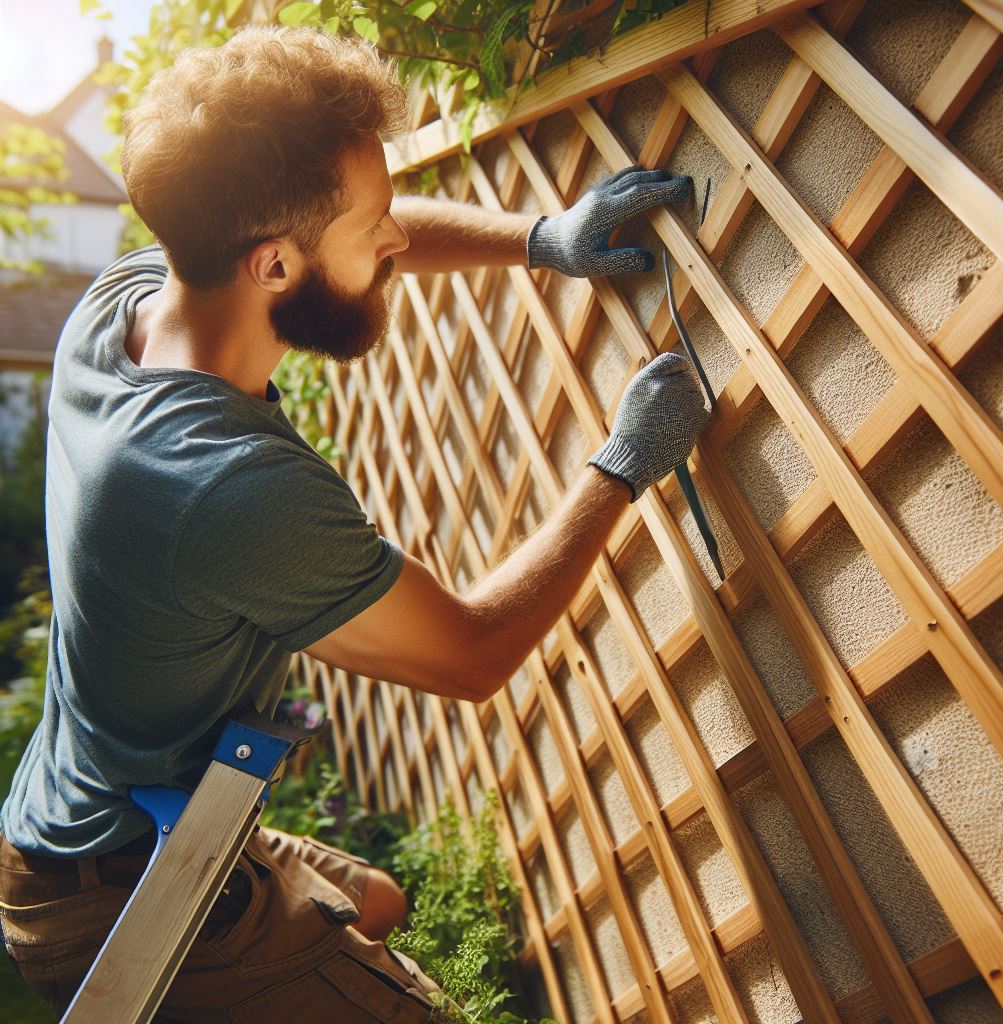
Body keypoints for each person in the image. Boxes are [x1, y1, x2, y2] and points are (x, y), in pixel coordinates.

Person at [0, 22, 709, 1023]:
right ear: (274, 268)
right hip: (120, 889)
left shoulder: (127, 301)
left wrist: (542, 239)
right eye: (372, 221)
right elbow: (471, 654)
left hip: (86, 812)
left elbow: (342, 230)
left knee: (375, 897)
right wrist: (622, 463)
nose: (394, 238)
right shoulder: (222, 488)